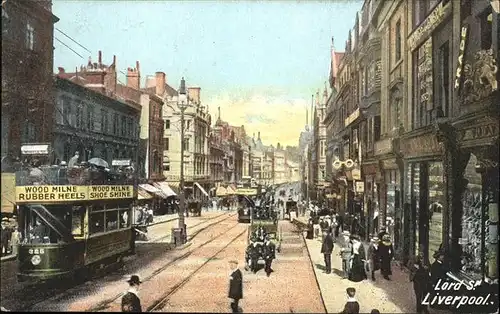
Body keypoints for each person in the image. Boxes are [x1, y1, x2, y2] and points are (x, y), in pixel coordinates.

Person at [409, 246, 431, 314]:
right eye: (420, 252)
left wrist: (427, 268)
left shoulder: (426, 259)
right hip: (417, 279)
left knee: (425, 294)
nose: (421, 253)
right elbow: (410, 266)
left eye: (422, 252)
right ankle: (419, 308)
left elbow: (429, 267)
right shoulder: (414, 258)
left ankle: (425, 307)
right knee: (418, 294)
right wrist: (416, 267)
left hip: (425, 279)